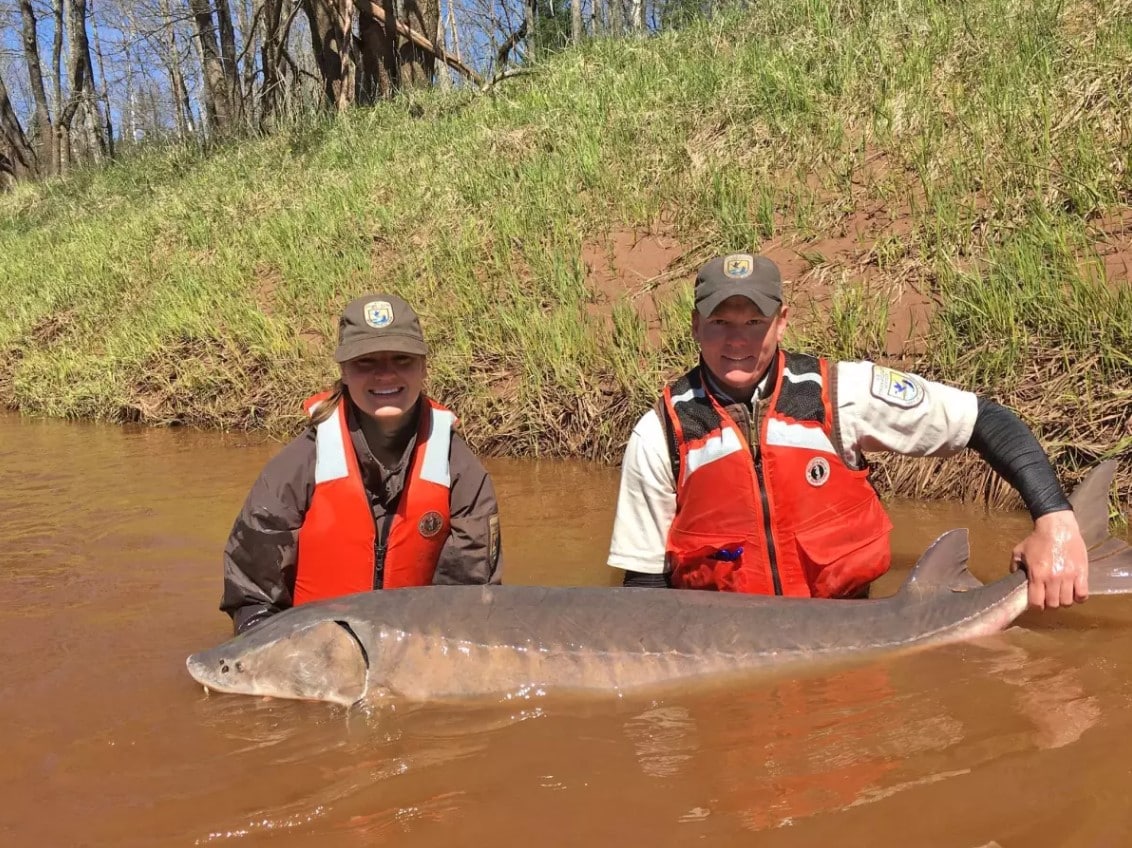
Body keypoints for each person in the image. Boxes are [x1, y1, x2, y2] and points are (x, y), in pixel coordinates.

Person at [607, 252, 1088, 608]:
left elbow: (984, 419)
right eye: (719, 321)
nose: (737, 339)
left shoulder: (842, 393)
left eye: (755, 321)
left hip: (852, 628)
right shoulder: (659, 434)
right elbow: (644, 588)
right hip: (726, 645)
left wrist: (1056, 523)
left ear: (782, 323)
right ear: (695, 325)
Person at [221, 293, 503, 633]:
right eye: (365, 362)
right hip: (313, 655)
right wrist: (267, 659)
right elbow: (252, 596)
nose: (385, 375)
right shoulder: (296, 467)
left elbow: (470, 601)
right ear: (343, 371)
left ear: (424, 367)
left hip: (413, 650)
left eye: (402, 359)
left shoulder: (460, 471)